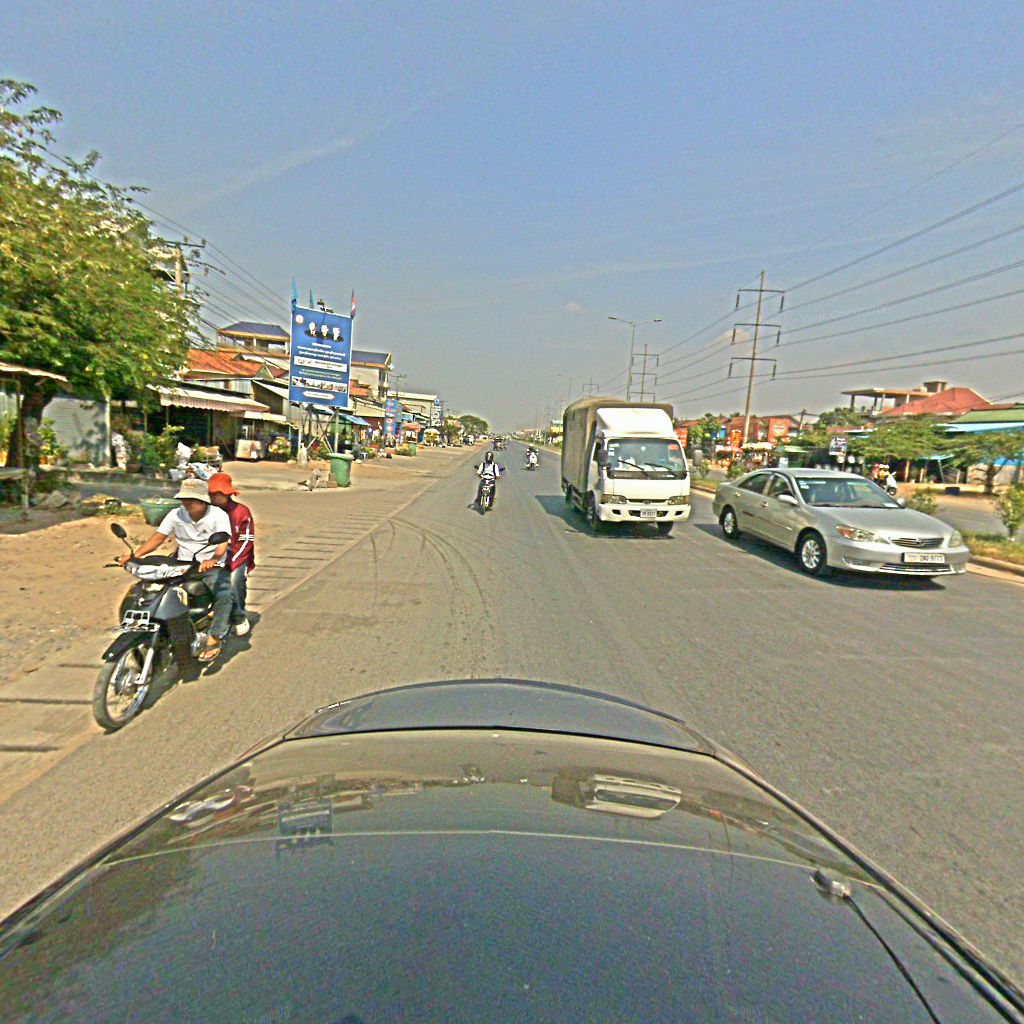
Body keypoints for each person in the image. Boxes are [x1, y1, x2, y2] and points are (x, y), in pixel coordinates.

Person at [118, 478, 233, 663]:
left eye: (191, 499)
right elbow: (159, 537)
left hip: (210, 564)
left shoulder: (218, 515)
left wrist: (213, 559)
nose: (186, 503)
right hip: (181, 563)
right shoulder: (176, 514)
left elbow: (222, 544)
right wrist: (134, 556)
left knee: (223, 593)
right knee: (153, 588)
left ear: (203, 501)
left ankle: (216, 635)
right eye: (184, 499)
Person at [207, 472, 256, 637]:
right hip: (211, 554)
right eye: (211, 494)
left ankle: (239, 616)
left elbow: (246, 541)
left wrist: (232, 562)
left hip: (237, 554)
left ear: (227, 494)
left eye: (218, 494)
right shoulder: (206, 511)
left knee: (234, 580)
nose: (214, 497)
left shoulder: (241, 512)